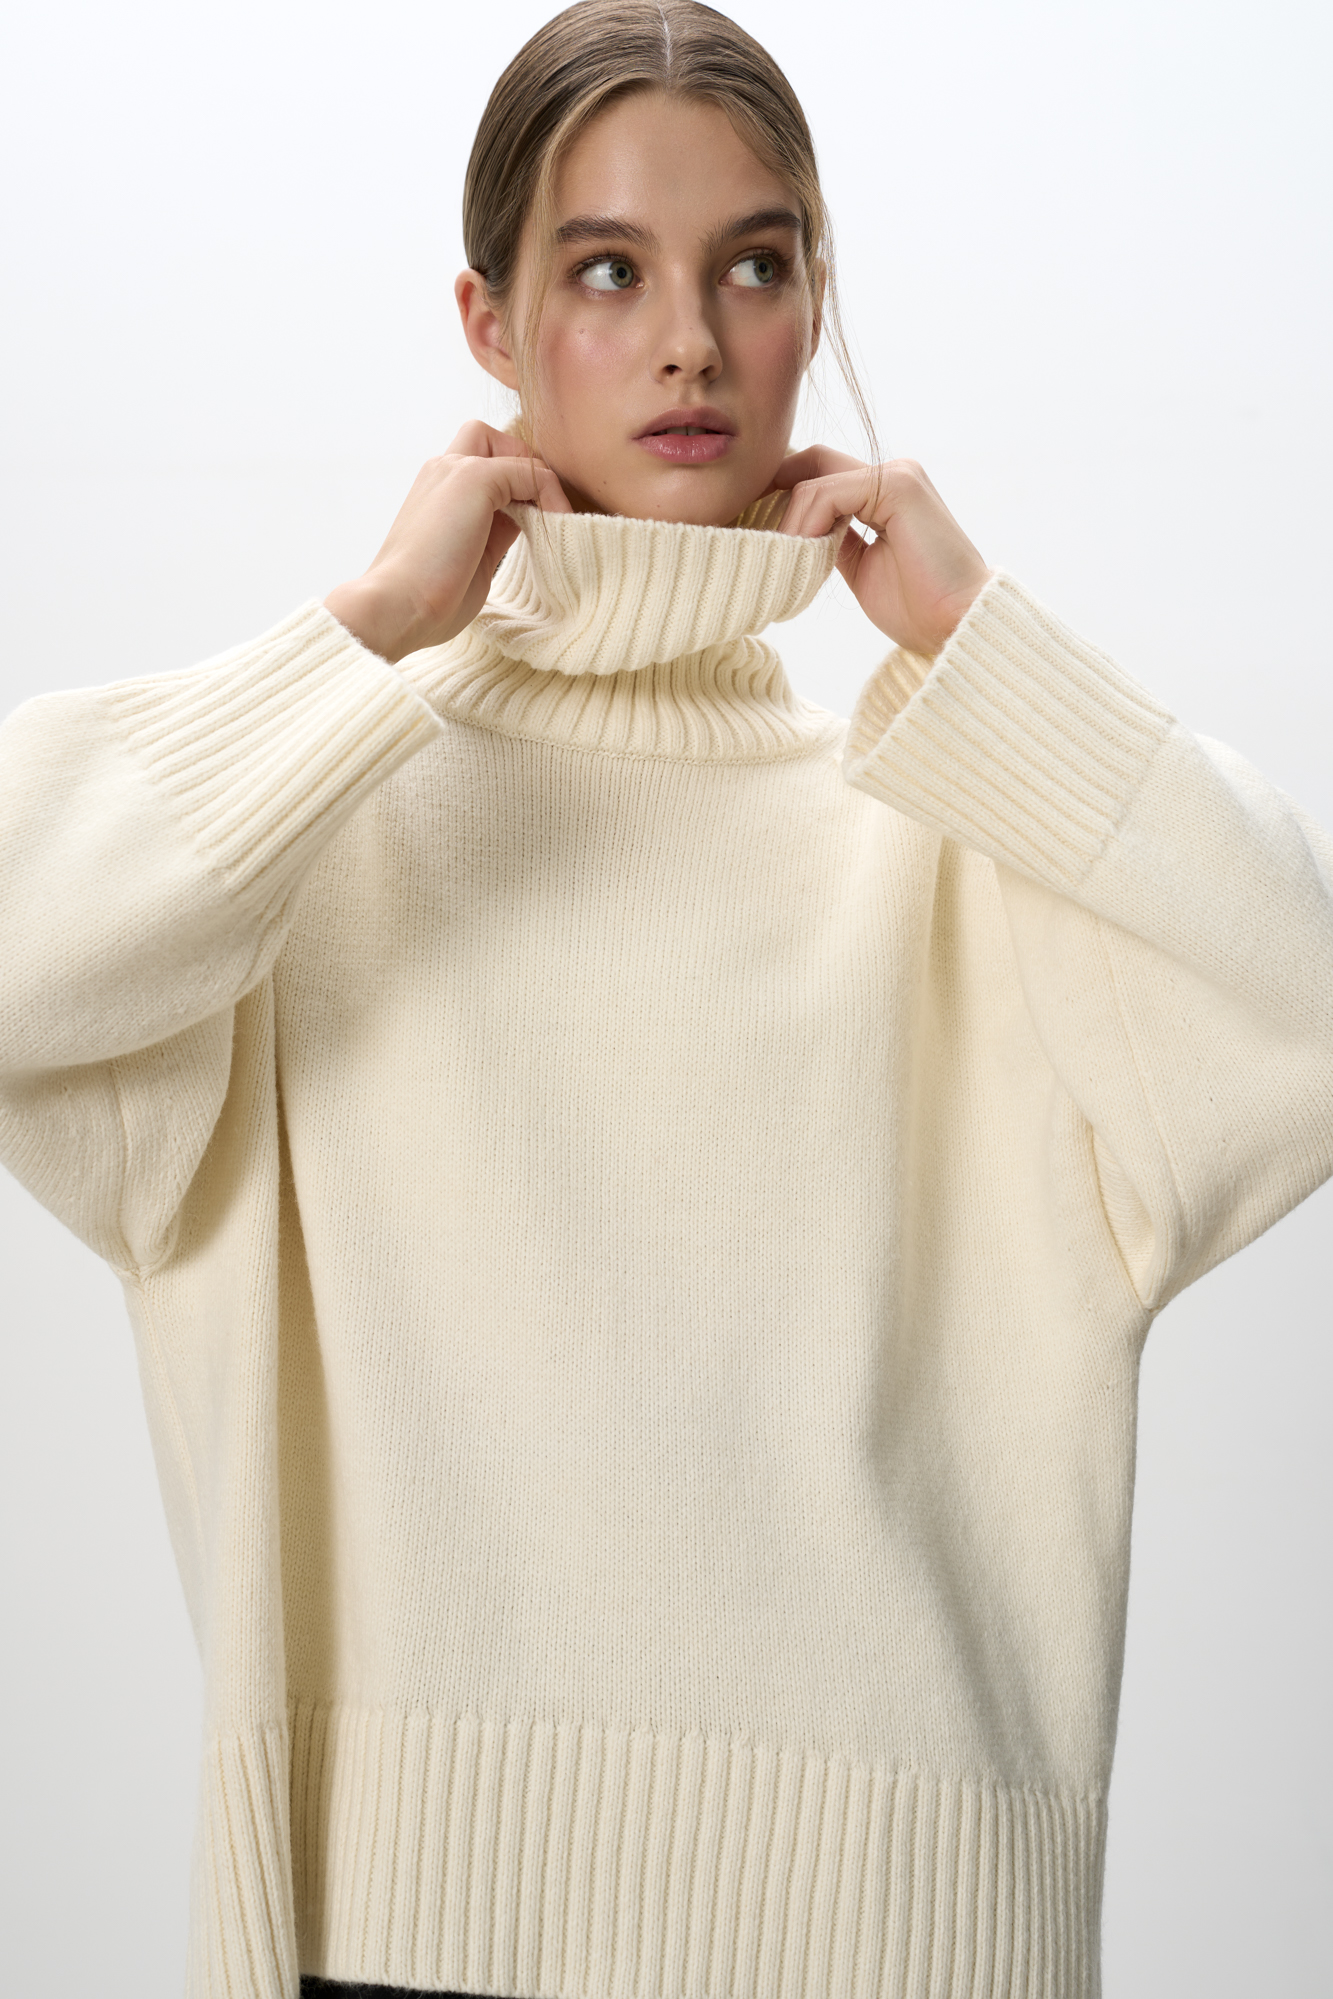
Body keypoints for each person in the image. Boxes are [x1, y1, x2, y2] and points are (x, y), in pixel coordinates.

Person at [1, 2, 1330, 1996]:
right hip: (393, 1935)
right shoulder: (304, 833)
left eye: (754, 266)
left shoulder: (959, 838)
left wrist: (983, 650)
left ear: (815, 308)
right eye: (608, 270)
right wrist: (369, 634)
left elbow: (1303, 1013)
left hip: (892, 1949)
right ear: (490, 323)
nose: (692, 341)